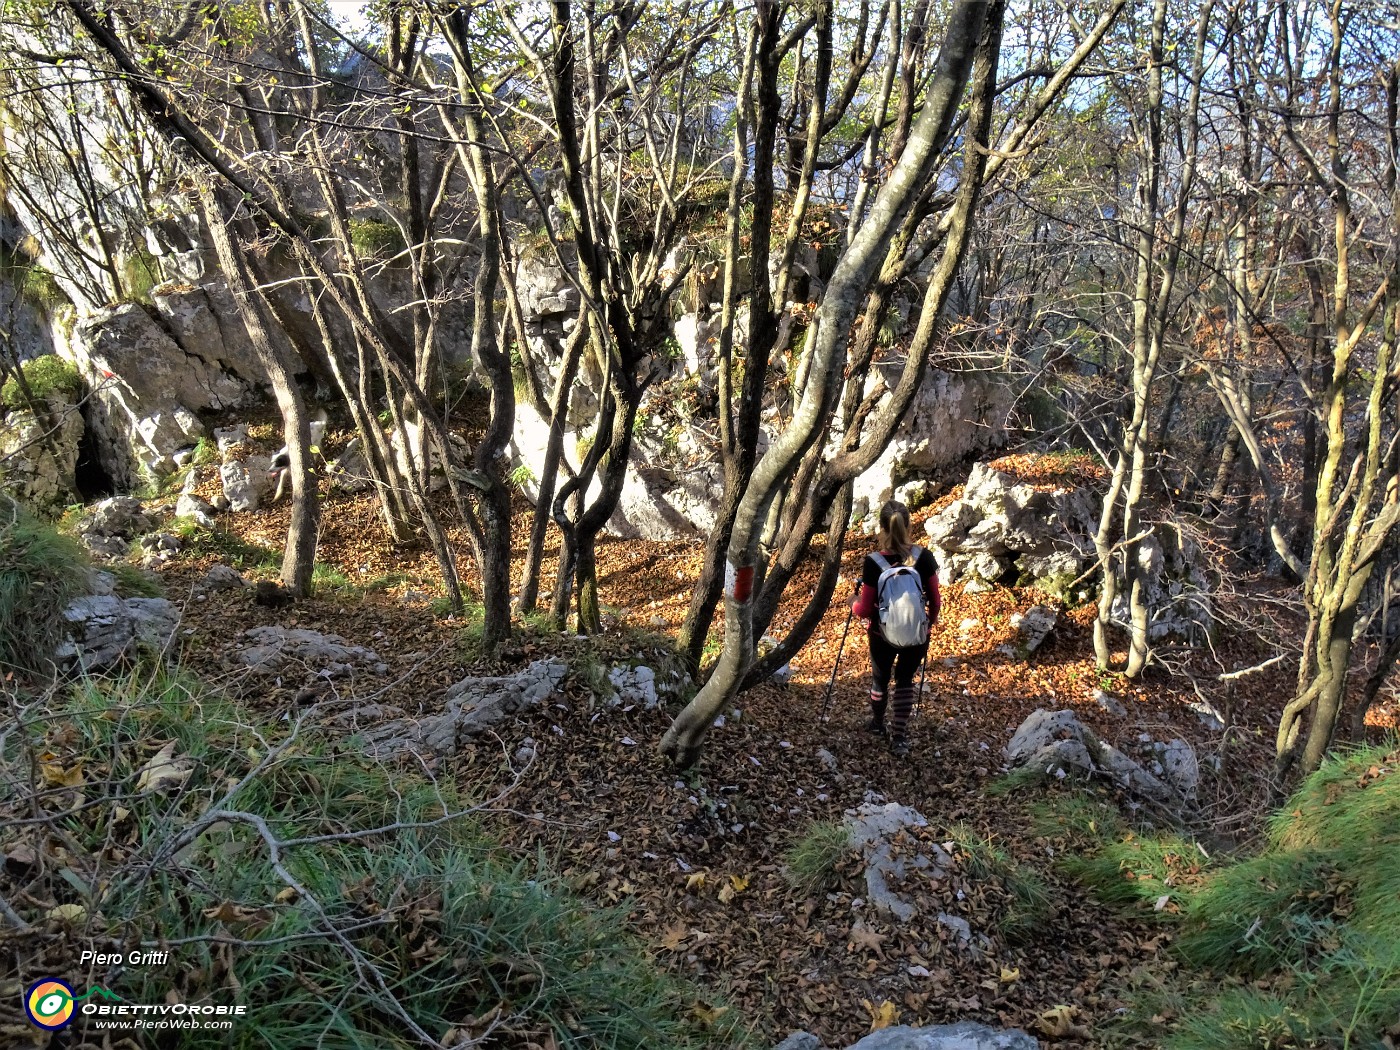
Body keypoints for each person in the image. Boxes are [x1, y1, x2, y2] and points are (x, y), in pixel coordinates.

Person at [851, 500, 940, 756]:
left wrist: (852, 603)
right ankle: (899, 736)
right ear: (909, 524)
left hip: (882, 634)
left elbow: (866, 609)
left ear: (881, 528)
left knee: (880, 678)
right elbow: (935, 598)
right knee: (904, 681)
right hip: (916, 633)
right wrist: (929, 624)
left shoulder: (874, 562)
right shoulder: (923, 557)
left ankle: (878, 724)